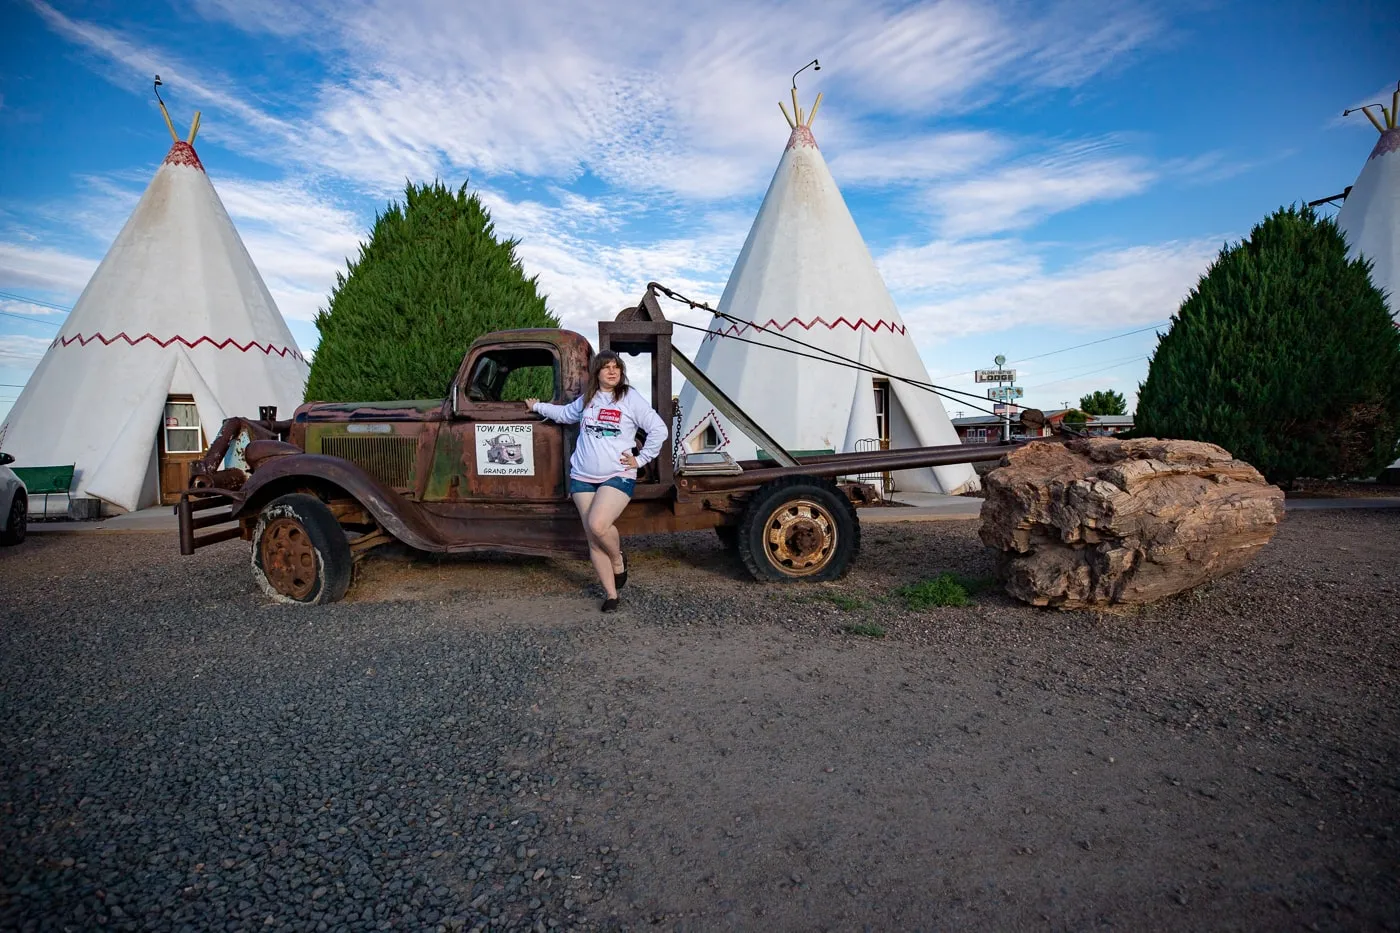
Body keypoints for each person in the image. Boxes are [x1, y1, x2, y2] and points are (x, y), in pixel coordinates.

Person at [526, 351, 667, 612]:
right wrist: (537, 407)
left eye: (617, 367)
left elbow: (659, 429)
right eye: (606, 367)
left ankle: (618, 560)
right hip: (582, 476)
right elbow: (565, 414)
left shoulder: (629, 397)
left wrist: (641, 458)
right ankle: (611, 594)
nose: (612, 372)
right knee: (593, 538)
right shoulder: (588, 399)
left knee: (598, 524)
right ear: (597, 373)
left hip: (617, 474)